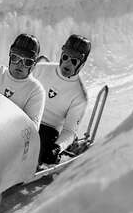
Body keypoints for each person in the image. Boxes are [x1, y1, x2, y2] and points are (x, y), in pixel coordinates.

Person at [33, 34, 91, 164]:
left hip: (48, 131)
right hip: (27, 119)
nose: (67, 63)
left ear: (82, 64)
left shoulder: (79, 96)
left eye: (74, 61)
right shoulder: (40, 69)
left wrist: (57, 147)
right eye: (65, 57)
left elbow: (69, 131)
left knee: (34, 151)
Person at [0, 34, 46, 129]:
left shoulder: (36, 91)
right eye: (15, 58)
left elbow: (32, 129)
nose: (20, 65)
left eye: (27, 62)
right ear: (10, 56)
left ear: (34, 65)